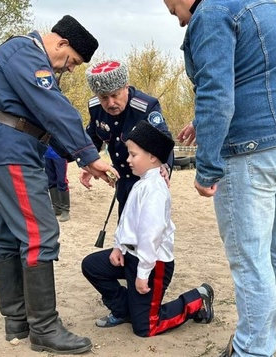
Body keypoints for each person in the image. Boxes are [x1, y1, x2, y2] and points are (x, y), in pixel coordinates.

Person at [162, 0, 276, 357]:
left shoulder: (211, 13)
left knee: (249, 257)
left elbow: (216, 91)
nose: (180, 22)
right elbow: (254, 77)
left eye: (174, 11)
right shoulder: (266, 3)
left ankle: (252, 349)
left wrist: (207, 165)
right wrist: (203, 122)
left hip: (250, 151)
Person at [0, 14, 119, 355]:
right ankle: (44, 328)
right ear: (61, 43)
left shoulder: (20, 55)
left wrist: (79, 154)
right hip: (13, 151)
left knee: (10, 233)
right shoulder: (26, 55)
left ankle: (17, 320)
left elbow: (44, 117)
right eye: (72, 61)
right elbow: (54, 107)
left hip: (8, 149)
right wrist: (88, 154)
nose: (70, 69)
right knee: (40, 234)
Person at [81, 120, 214, 337]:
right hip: (129, 255)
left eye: (133, 155)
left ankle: (198, 299)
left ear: (152, 157)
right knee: (92, 266)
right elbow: (128, 221)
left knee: (146, 328)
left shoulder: (155, 190)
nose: (127, 159)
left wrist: (143, 273)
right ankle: (125, 310)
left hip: (153, 263)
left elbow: (150, 235)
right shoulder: (140, 182)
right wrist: (118, 247)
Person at [80, 59, 173, 216]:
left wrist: (165, 165)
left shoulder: (145, 107)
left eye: (115, 95)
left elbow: (163, 140)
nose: (110, 103)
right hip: (121, 180)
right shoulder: (95, 108)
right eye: (104, 97)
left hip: (144, 180)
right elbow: (93, 136)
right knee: (124, 230)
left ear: (126, 87)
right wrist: (90, 163)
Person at [44, 146, 71, 222]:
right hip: (46, 153)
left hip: (60, 154)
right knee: (51, 180)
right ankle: (56, 207)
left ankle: (65, 209)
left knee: (62, 180)